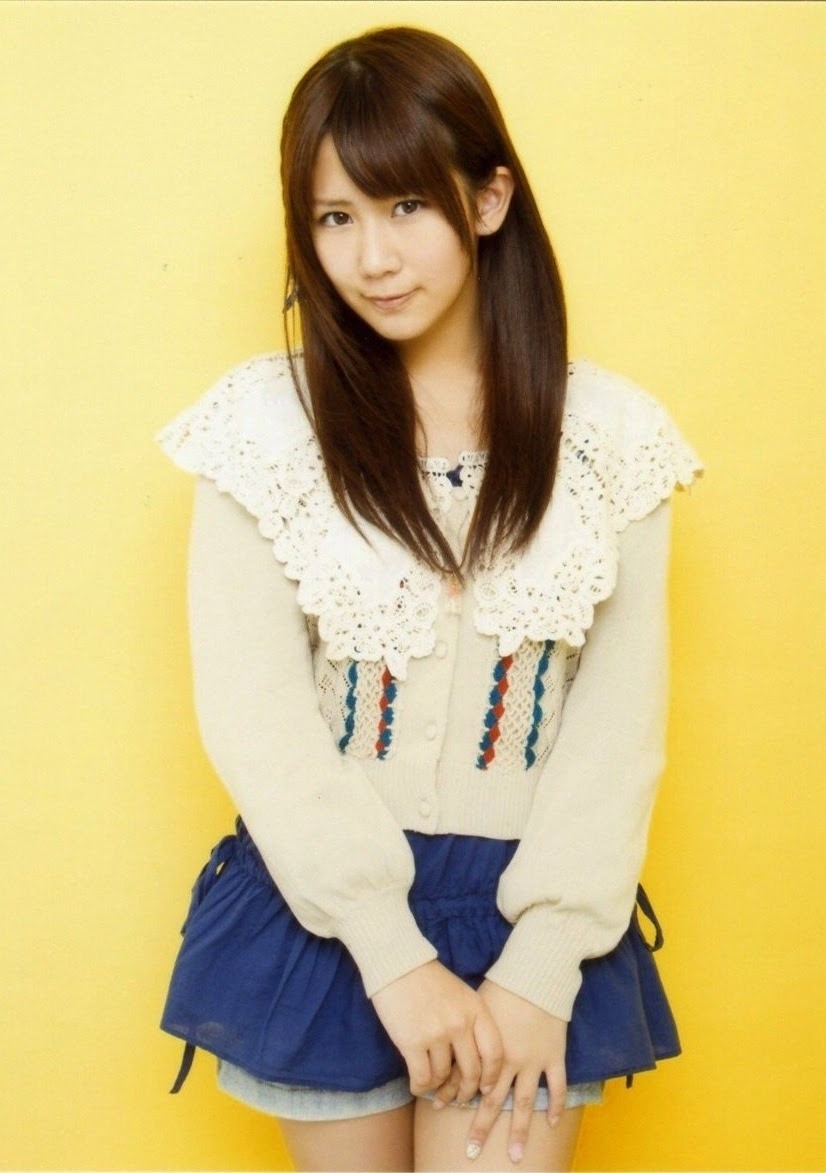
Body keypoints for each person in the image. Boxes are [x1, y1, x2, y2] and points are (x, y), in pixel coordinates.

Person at [156, 25, 702, 1173]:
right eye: (334, 217)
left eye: (405, 205)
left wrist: (542, 965)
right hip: (325, 909)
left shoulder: (612, 440)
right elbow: (256, 717)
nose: (372, 257)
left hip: (530, 914)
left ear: (488, 199)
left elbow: (618, 730)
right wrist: (388, 951)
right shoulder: (262, 430)